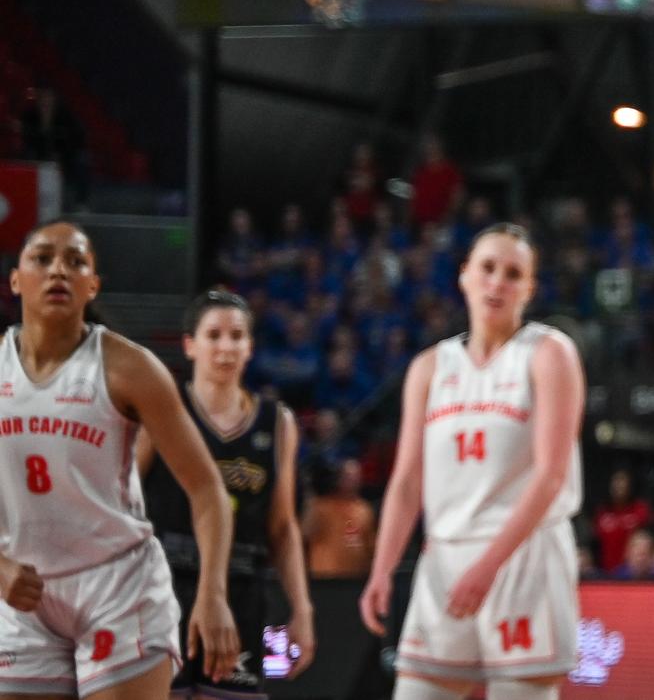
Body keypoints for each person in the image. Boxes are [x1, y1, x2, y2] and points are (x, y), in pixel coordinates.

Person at [0, 222, 240, 698]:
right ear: (15, 279)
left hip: (118, 587)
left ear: (93, 286)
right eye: (43, 259)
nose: (58, 272)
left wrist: (213, 593)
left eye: (76, 262)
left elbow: (207, 488)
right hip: (22, 589)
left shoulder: (130, 368)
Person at [358, 224, 586, 700]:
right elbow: (406, 481)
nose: (497, 282)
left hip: (523, 557)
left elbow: (550, 477)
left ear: (529, 288)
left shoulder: (548, 353)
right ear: (464, 276)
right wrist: (382, 568)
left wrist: (488, 567)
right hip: (443, 558)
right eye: (487, 268)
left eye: (513, 273)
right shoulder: (429, 367)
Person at [137, 290, 313, 697]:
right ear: (190, 345)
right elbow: (124, 503)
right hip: (164, 588)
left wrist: (302, 610)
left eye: (236, 336)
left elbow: (283, 529)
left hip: (246, 595)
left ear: (250, 347)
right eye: (213, 335)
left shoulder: (279, 422)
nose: (225, 346)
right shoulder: (164, 411)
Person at [303, 458, 376, 579]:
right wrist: (311, 493)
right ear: (338, 478)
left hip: (356, 577)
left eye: (356, 476)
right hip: (324, 578)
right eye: (348, 476)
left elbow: (371, 544)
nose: (353, 480)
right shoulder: (320, 507)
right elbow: (306, 533)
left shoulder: (364, 509)